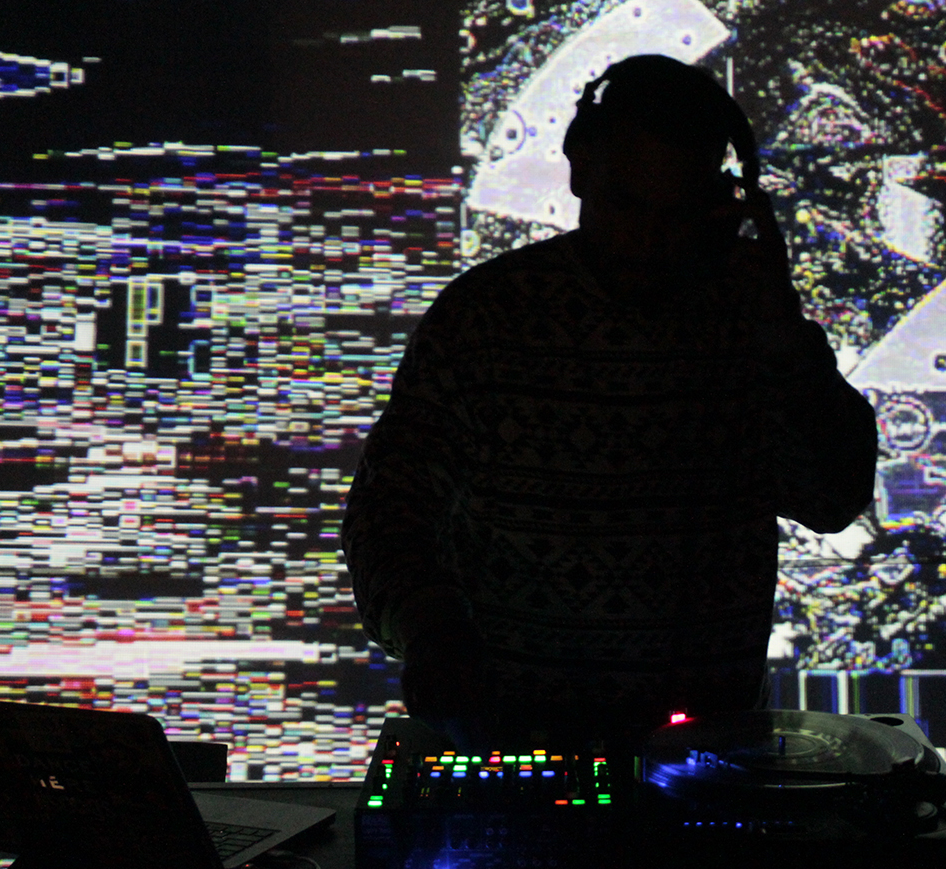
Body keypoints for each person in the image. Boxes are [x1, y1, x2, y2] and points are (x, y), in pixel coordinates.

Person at [342, 55, 877, 751]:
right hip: (511, 740)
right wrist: (433, 632)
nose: (648, 241)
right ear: (579, 167)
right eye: (626, 204)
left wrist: (785, 337)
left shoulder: (753, 327)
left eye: (676, 214)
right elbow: (388, 509)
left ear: (722, 201)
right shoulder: (484, 319)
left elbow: (833, 498)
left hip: (708, 755)